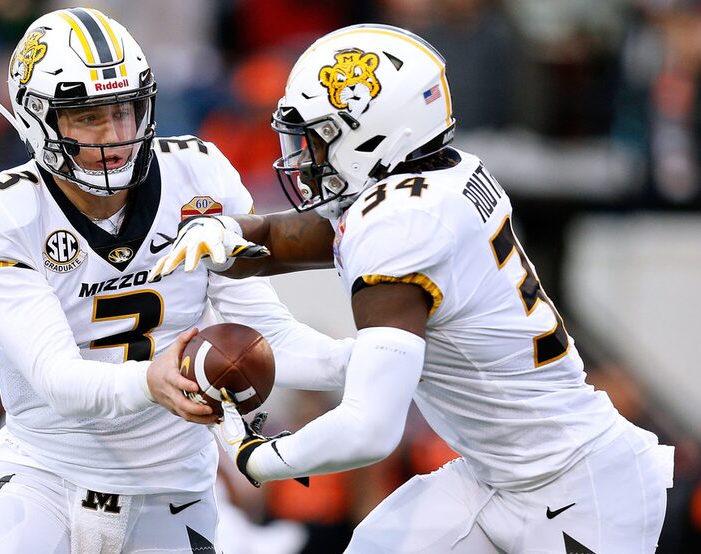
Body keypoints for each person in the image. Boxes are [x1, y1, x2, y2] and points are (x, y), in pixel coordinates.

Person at [151, 24, 676, 553]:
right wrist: (223, 231)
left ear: (377, 132)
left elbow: (369, 431)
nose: (303, 156)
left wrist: (253, 456)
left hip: (578, 488)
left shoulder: (400, 224)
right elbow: (289, 239)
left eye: (320, 136)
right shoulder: (441, 178)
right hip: (497, 476)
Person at [0, 8, 353, 553]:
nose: (115, 136)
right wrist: (149, 381)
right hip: (45, 479)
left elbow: (269, 336)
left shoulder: (199, 176)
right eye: (88, 117)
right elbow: (58, 379)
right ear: (37, 119)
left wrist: (378, 358)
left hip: (171, 493)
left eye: (125, 110)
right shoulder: (2, 213)